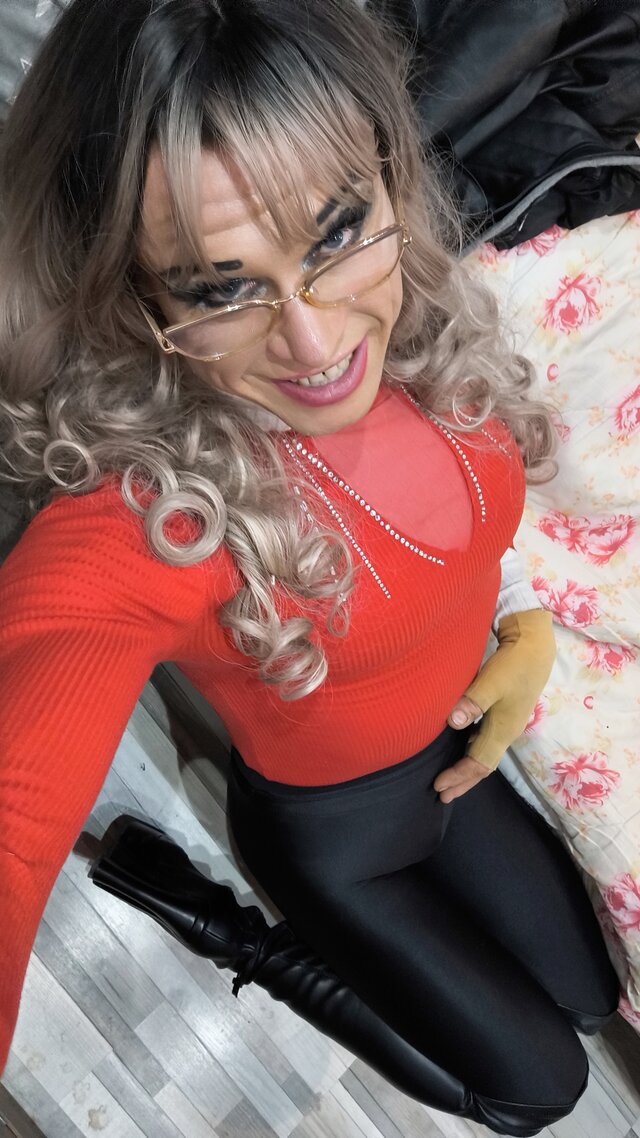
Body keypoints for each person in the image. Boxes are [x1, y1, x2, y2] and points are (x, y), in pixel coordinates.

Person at [0, 0, 620, 1133]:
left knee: (592, 997)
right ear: (136, 297)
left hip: (453, 763)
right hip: (337, 837)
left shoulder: (424, 316)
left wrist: (518, 614)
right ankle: (231, 932)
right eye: (220, 289)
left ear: (388, 177)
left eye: (336, 234)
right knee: (536, 1091)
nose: (317, 342)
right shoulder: (150, 523)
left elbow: (464, 532)